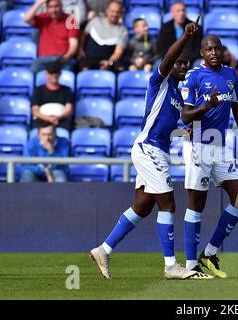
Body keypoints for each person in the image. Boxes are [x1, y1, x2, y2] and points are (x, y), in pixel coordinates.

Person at [89, 18, 210, 280]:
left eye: (185, 64)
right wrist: (187, 38)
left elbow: (167, 124)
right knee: (168, 204)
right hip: (149, 149)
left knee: (143, 206)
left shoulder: (178, 96)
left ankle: (104, 249)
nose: (181, 65)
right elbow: (168, 58)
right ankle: (170, 266)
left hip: (159, 151)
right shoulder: (160, 82)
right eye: (178, 62)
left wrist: (185, 131)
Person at [180, 34, 238, 278]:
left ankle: (210, 252)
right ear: (202, 53)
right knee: (197, 204)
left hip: (221, 147)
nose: (214, 52)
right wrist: (206, 106)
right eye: (208, 49)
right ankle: (191, 265)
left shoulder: (230, 75)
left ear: (223, 50)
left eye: (217, 48)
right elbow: (185, 116)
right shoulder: (194, 76)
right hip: (197, 144)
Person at [23, 0, 80, 73]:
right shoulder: (43, 18)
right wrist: (39, 3)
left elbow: (74, 45)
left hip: (62, 59)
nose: (54, 10)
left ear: (61, 7)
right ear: (47, 8)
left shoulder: (71, 20)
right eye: (50, 7)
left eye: (56, 6)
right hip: (44, 59)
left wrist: (65, 58)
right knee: (34, 68)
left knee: (68, 71)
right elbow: (26, 19)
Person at [77, 0, 128, 72]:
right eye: (112, 11)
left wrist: (109, 62)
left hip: (108, 62)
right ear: (107, 11)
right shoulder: (95, 21)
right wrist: (80, 49)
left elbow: (118, 52)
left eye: (118, 12)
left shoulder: (123, 31)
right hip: (89, 60)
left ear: (121, 14)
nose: (115, 14)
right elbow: (84, 36)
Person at [31, 61, 74, 131]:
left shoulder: (67, 90)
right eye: (51, 73)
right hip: (43, 120)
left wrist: (58, 118)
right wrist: (49, 119)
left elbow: (69, 110)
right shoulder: (38, 90)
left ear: (60, 74)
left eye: (56, 73)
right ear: (46, 74)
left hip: (61, 121)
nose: (54, 75)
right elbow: (35, 111)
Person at [157, 1, 203, 66]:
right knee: (158, 64)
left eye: (183, 10)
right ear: (172, 13)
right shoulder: (165, 28)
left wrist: (187, 60)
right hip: (170, 60)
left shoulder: (195, 27)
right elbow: (161, 49)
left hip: (190, 60)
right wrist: (171, 60)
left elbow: (198, 49)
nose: (181, 13)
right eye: (178, 11)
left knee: (200, 64)